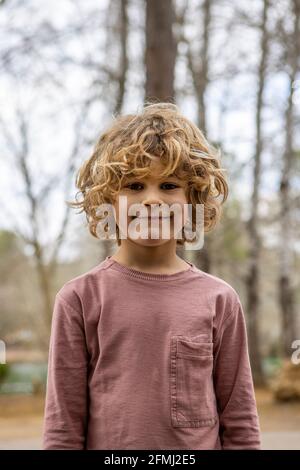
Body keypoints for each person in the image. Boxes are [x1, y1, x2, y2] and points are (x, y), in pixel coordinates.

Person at [42, 102, 261, 450]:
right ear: (108, 200)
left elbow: (241, 422)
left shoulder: (220, 300)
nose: (152, 200)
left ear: (193, 199)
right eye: (133, 186)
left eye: (170, 185)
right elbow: (63, 428)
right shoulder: (80, 299)